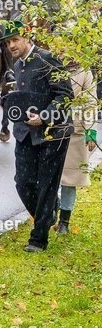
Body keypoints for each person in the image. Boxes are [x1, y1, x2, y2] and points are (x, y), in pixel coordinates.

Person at [1, 20, 73, 252]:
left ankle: (38, 240)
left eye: (15, 40)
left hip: (53, 133)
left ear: (27, 37)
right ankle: (48, 212)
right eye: (8, 42)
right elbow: (18, 97)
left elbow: (65, 95)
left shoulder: (47, 59)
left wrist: (45, 116)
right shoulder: (17, 66)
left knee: (46, 186)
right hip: (24, 133)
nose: (11, 45)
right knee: (22, 183)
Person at [57, 66, 98, 234]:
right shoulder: (50, 65)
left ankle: (64, 221)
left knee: (69, 179)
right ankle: (51, 208)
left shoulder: (84, 72)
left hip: (75, 130)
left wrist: (91, 132)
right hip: (52, 128)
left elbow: (90, 102)